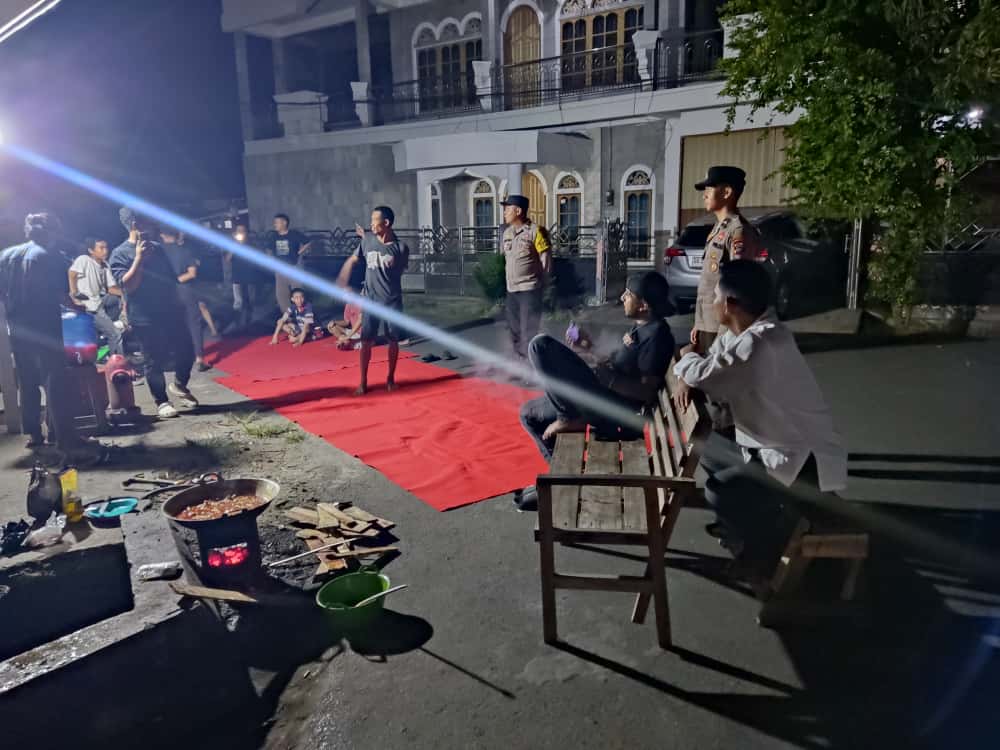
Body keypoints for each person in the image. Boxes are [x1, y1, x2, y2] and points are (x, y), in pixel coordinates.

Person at [673, 260, 847, 573]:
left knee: (720, 489)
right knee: (705, 449)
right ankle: (748, 524)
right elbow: (709, 367)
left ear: (730, 304)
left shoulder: (761, 342)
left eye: (715, 297)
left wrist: (686, 359)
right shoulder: (740, 334)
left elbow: (705, 375)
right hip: (766, 445)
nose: (712, 303)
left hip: (799, 459)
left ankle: (761, 554)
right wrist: (689, 374)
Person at [515, 271, 676, 511]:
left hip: (611, 411)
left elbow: (646, 393)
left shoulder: (657, 337)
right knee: (528, 414)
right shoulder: (642, 328)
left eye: (628, 294)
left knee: (540, 346)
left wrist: (608, 379)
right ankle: (563, 482)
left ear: (644, 305)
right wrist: (588, 348)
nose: (622, 297)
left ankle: (569, 417)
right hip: (599, 395)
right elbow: (618, 367)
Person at [109, 208, 198, 419]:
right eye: (146, 220)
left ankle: (179, 384)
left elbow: (170, 278)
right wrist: (139, 259)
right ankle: (162, 401)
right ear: (135, 224)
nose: (151, 224)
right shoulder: (120, 253)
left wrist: (178, 300)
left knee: (187, 350)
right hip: (144, 316)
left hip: (169, 310)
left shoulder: (157, 248)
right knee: (154, 360)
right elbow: (128, 286)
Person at [336, 205, 409, 395]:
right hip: (370, 301)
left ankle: (390, 379)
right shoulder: (367, 241)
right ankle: (363, 382)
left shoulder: (401, 248)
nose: (371, 224)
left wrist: (390, 266)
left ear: (386, 223)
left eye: (375, 220)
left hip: (391, 301)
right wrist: (342, 279)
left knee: (393, 340)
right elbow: (352, 260)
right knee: (366, 341)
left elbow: (400, 272)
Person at [500, 194, 551, 361]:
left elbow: (545, 259)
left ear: (518, 211)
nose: (505, 212)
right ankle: (520, 359)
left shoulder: (536, 231)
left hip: (530, 288)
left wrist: (543, 284)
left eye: (507, 209)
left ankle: (533, 362)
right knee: (514, 329)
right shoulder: (507, 233)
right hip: (512, 289)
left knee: (529, 329)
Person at [161, 228, 214, 372]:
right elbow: (192, 273)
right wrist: (177, 280)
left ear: (163, 235)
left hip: (167, 292)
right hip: (186, 290)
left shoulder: (159, 253)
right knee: (194, 324)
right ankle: (199, 359)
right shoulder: (185, 251)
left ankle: (176, 357)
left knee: (173, 325)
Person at [68, 237, 124, 355]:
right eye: (101, 248)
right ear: (91, 250)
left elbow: (111, 289)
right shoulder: (84, 259)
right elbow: (72, 273)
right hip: (89, 306)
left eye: (106, 247)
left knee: (118, 298)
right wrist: (74, 294)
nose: (105, 251)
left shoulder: (105, 265)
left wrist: (126, 295)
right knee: (115, 334)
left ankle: (108, 326)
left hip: (99, 301)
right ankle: (117, 359)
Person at [266, 213, 311, 313]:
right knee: (281, 294)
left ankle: (302, 314)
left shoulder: (294, 234)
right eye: (275, 223)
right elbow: (269, 249)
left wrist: (299, 252)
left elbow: (308, 242)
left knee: (298, 293)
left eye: (277, 222)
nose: (275, 224)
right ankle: (287, 315)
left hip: (294, 267)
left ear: (284, 223)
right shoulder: (274, 236)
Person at [227, 221, 262, 332]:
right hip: (237, 277)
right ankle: (237, 323)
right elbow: (227, 259)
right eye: (239, 231)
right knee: (238, 301)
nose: (241, 233)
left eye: (243, 231)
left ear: (246, 232)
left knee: (250, 300)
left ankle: (249, 321)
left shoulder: (252, 244)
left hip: (249, 277)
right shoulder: (232, 244)